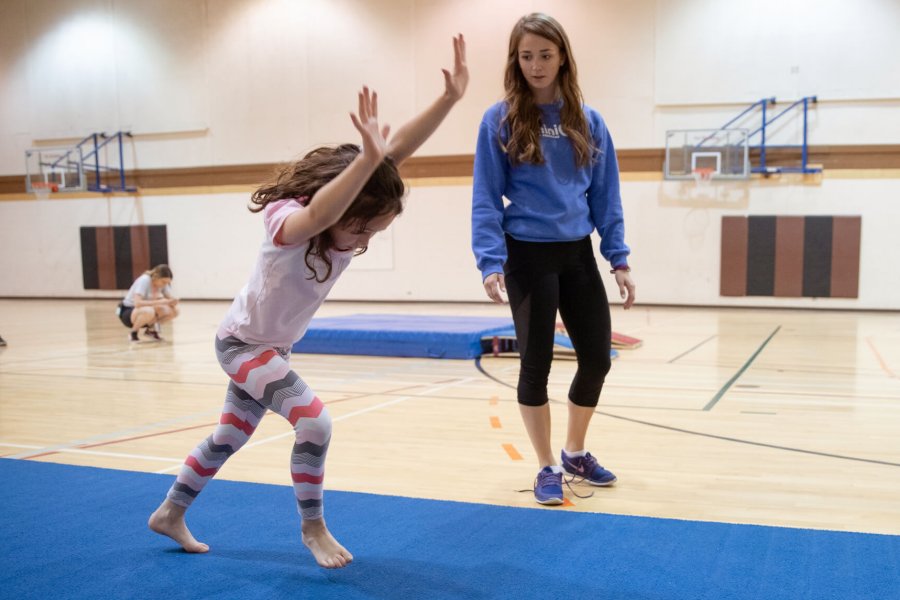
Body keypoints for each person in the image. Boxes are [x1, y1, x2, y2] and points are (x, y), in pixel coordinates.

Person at [148, 35, 468, 568]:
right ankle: (312, 528)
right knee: (315, 422)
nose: (363, 242)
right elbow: (320, 215)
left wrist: (448, 100)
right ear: (342, 205)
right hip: (241, 345)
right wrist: (364, 160)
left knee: (227, 438)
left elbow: (394, 156)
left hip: (272, 347)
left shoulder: (347, 217)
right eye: (362, 228)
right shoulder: (288, 225)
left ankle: (169, 512)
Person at [471, 14, 635, 506]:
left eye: (545, 54)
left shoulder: (589, 121)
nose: (536, 65)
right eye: (526, 56)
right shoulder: (498, 120)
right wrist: (490, 260)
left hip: (577, 254)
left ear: (562, 56)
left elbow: (607, 197)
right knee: (535, 364)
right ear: (515, 61)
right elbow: (485, 196)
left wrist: (619, 258)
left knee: (597, 359)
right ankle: (544, 465)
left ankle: (574, 451)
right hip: (527, 256)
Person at [118, 264, 179, 342]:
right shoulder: (144, 280)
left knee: (174, 311)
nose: (165, 284)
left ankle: (151, 330)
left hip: (145, 311)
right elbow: (137, 303)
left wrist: (172, 302)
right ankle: (133, 332)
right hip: (128, 311)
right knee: (149, 310)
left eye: (167, 283)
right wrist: (159, 302)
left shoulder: (163, 284)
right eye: (163, 282)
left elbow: (169, 298)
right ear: (156, 277)